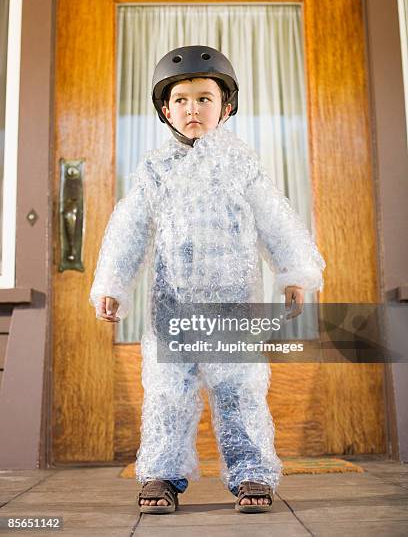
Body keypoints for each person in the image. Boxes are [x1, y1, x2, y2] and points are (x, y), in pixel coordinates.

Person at [89, 45, 326, 514]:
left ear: (226, 107)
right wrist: (112, 283)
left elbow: (275, 219)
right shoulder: (155, 171)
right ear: (165, 110)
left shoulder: (242, 166)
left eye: (204, 98)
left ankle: (252, 471)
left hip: (233, 305)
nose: (192, 109)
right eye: (181, 100)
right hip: (171, 306)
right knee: (167, 393)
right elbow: (129, 228)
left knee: (240, 390)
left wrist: (293, 272)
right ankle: (160, 474)